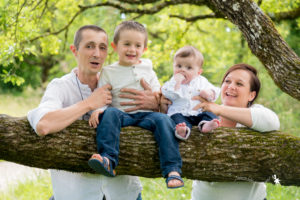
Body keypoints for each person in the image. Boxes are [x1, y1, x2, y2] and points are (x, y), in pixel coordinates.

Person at [27, 25, 152, 200]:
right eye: (89, 46)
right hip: (76, 195)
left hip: (123, 193)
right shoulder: (60, 86)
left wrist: (155, 103)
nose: (97, 54)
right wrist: (88, 104)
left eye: (102, 47)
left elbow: (158, 119)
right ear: (74, 50)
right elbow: (43, 125)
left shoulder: (122, 81)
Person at [87, 20, 184, 189]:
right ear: (115, 46)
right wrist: (98, 110)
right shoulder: (109, 71)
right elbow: (103, 95)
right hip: (121, 115)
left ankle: (172, 169)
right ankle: (108, 159)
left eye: (138, 45)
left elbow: (158, 94)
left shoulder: (148, 69)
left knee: (163, 120)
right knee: (109, 115)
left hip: (147, 115)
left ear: (144, 49)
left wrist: (157, 98)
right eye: (127, 44)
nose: (132, 49)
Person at [190, 63, 280, 200]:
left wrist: (219, 109)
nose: (231, 86)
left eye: (239, 84)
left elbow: (272, 122)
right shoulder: (205, 114)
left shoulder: (256, 113)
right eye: (227, 81)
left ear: (251, 95)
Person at [161, 46, 220, 140]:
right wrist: (177, 83)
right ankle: (182, 131)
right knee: (176, 119)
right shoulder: (172, 82)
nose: (182, 70)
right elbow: (168, 93)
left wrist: (209, 93)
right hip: (180, 113)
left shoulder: (202, 81)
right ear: (173, 66)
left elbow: (215, 91)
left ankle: (206, 125)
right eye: (179, 66)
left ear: (198, 72)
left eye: (189, 68)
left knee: (210, 114)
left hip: (198, 113)